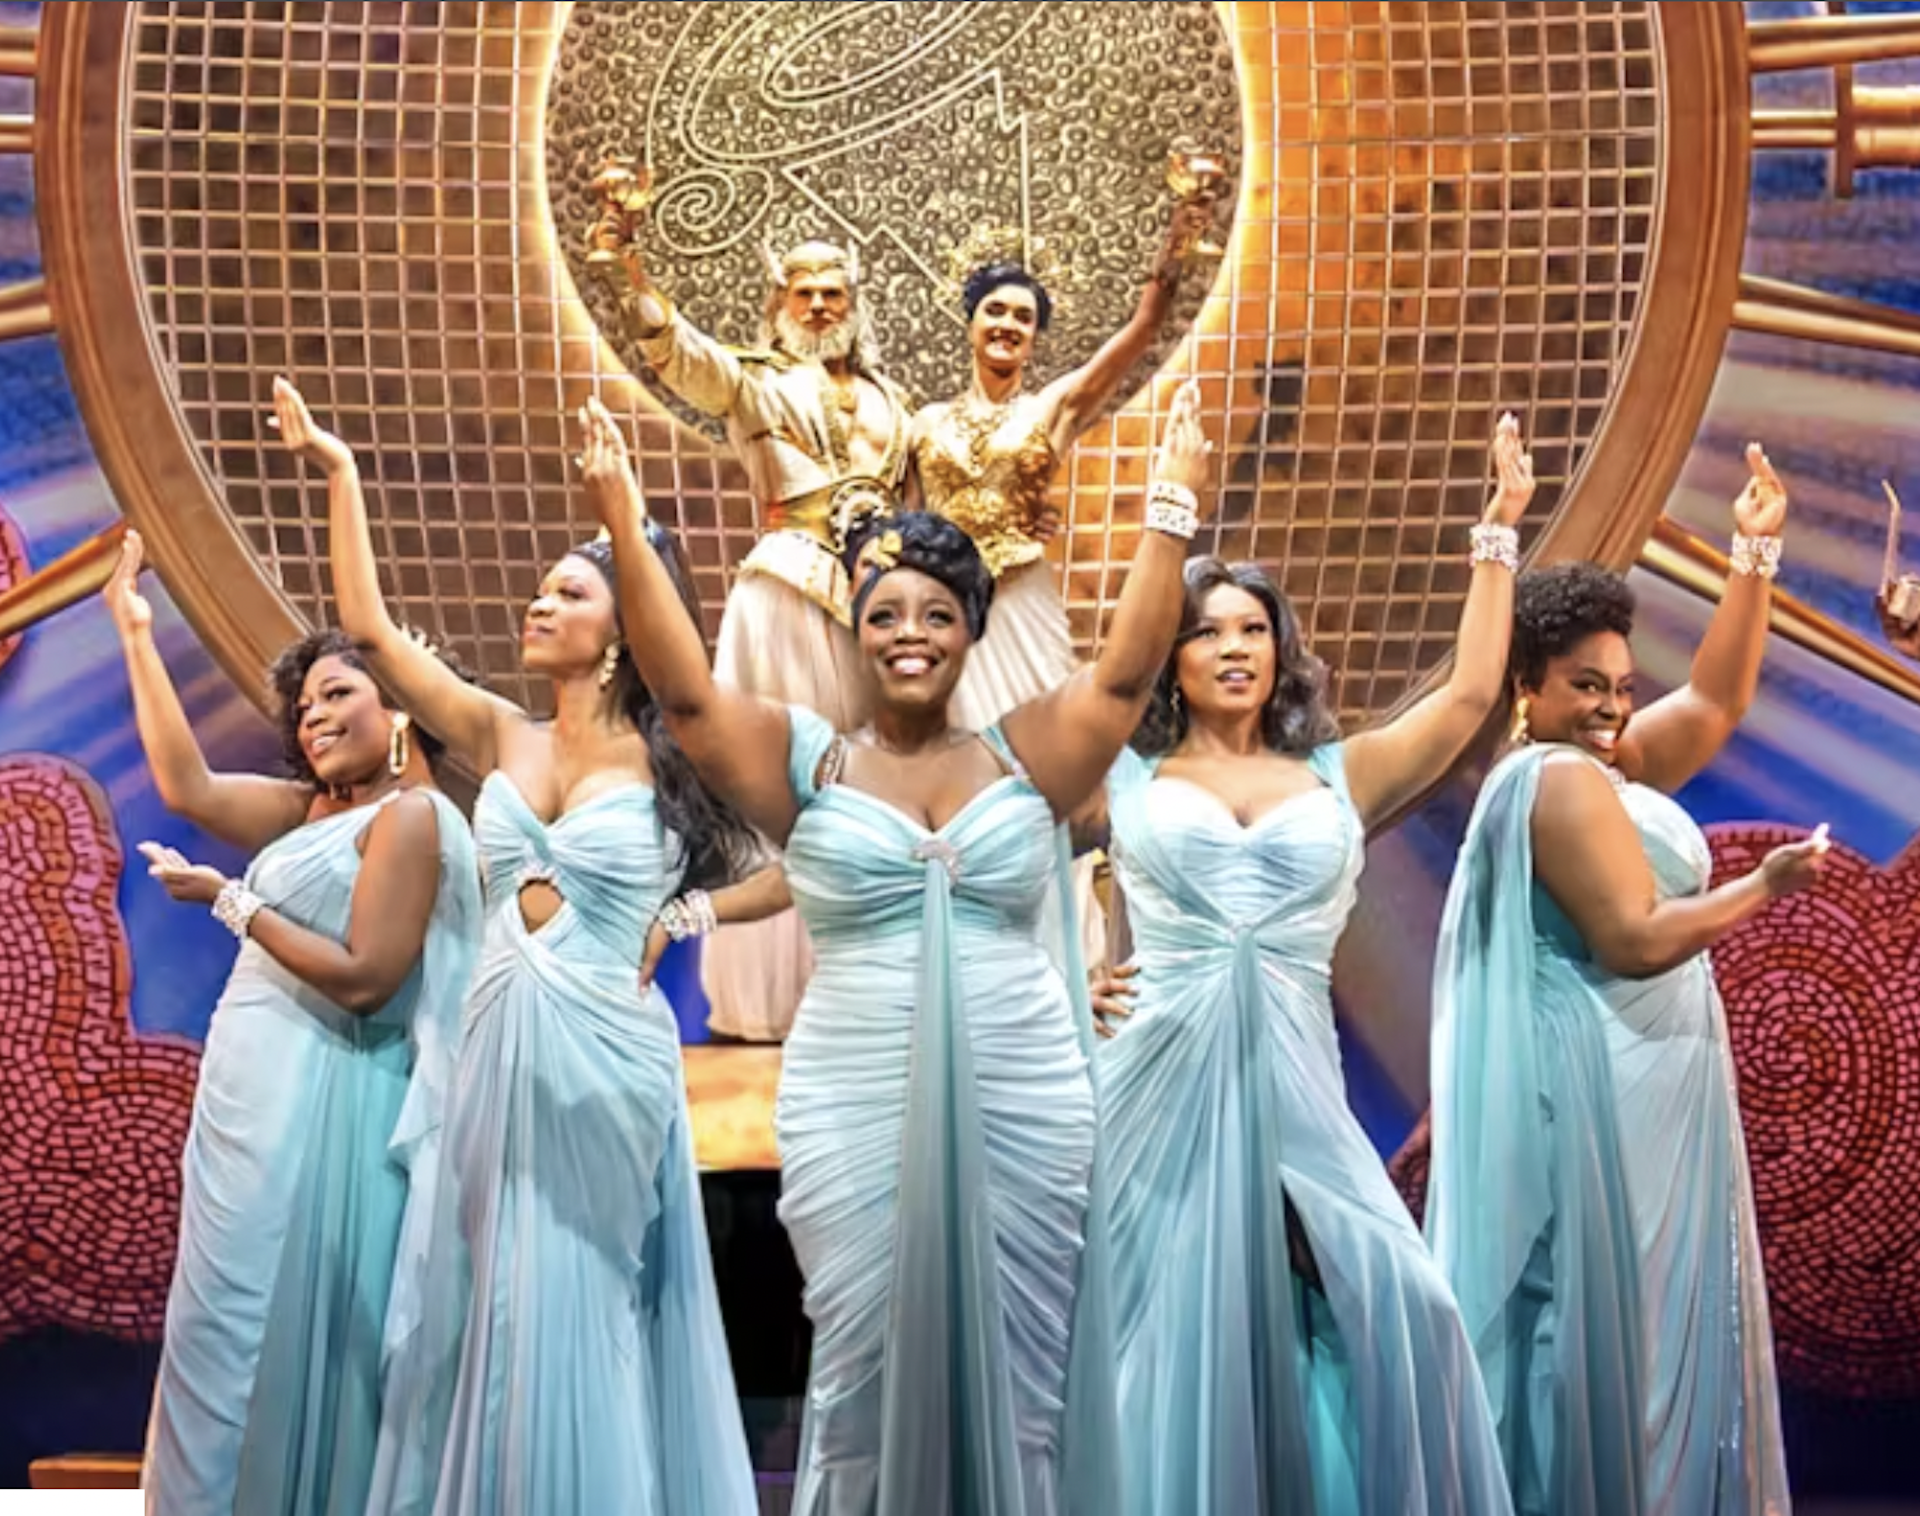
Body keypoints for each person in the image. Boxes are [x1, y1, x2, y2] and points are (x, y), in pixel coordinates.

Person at [576, 382, 1215, 1514]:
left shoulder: (1032, 756)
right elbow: (682, 694)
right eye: (884, 615)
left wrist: (1173, 507)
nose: (908, 635)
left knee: (1026, 1361)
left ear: (971, 629)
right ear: (853, 634)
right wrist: (624, 519)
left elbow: (1124, 673)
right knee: (864, 1355)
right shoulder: (806, 761)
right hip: (852, 1087)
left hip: (1023, 1082)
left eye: (934, 613)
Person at [270, 379, 759, 1515]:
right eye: (541, 588)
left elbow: (803, 857)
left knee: (581, 1291)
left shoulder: (677, 747)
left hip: (607, 1056)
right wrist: (340, 472)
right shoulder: (500, 729)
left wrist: (692, 915)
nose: (539, 604)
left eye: (569, 592)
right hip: (494, 1040)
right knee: (499, 1291)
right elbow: (380, 636)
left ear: (624, 625)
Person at [1085, 416, 1534, 1514]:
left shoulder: (1343, 771)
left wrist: (1498, 534)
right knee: (1152, 1323)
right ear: (1170, 660)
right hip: (1155, 1075)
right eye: (1207, 632)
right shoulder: (1116, 778)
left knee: (1403, 1303)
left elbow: (1473, 697)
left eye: (1254, 629)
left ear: (1280, 650)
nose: (1235, 647)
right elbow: (989, 862)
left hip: (1296, 1080)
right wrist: (1068, 972)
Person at [1426, 445, 1826, 1516]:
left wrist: (1753, 551)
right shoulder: (1552, 779)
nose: (1609, 705)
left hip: (1661, 1080)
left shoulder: (1606, 763)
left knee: (1655, 1322)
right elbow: (1634, 937)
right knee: (1613, 1332)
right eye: (1584, 686)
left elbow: (1717, 697)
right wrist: (1766, 886)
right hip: (1608, 1086)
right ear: (1529, 690)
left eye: (1618, 686)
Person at [107, 531, 481, 1516]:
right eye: (303, 703)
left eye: (338, 694)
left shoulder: (411, 819)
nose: (313, 715)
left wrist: (231, 904)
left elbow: (366, 978)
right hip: (246, 1093)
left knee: (289, 1334)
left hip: (329, 1096)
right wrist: (136, 630)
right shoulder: (312, 811)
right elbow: (188, 787)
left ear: (401, 701)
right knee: (214, 1332)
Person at [596, 231, 916, 1041]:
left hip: (877, 600)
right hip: (784, 588)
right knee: (777, 794)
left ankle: (873, 978)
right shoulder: (755, 382)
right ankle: (772, 996)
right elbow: (676, 350)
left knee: (872, 781)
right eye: (801, 292)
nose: (817, 306)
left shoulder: (892, 401)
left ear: (853, 303)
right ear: (779, 306)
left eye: (831, 293)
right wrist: (629, 267)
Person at [909, 195, 1213, 730]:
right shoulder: (924, 423)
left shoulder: (1051, 409)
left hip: (1018, 596)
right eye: (995, 311)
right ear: (971, 321)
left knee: (1037, 737)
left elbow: (1141, 331)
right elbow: (903, 523)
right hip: (942, 602)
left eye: (1024, 318)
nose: (1008, 324)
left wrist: (1175, 248)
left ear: (1033, 339)